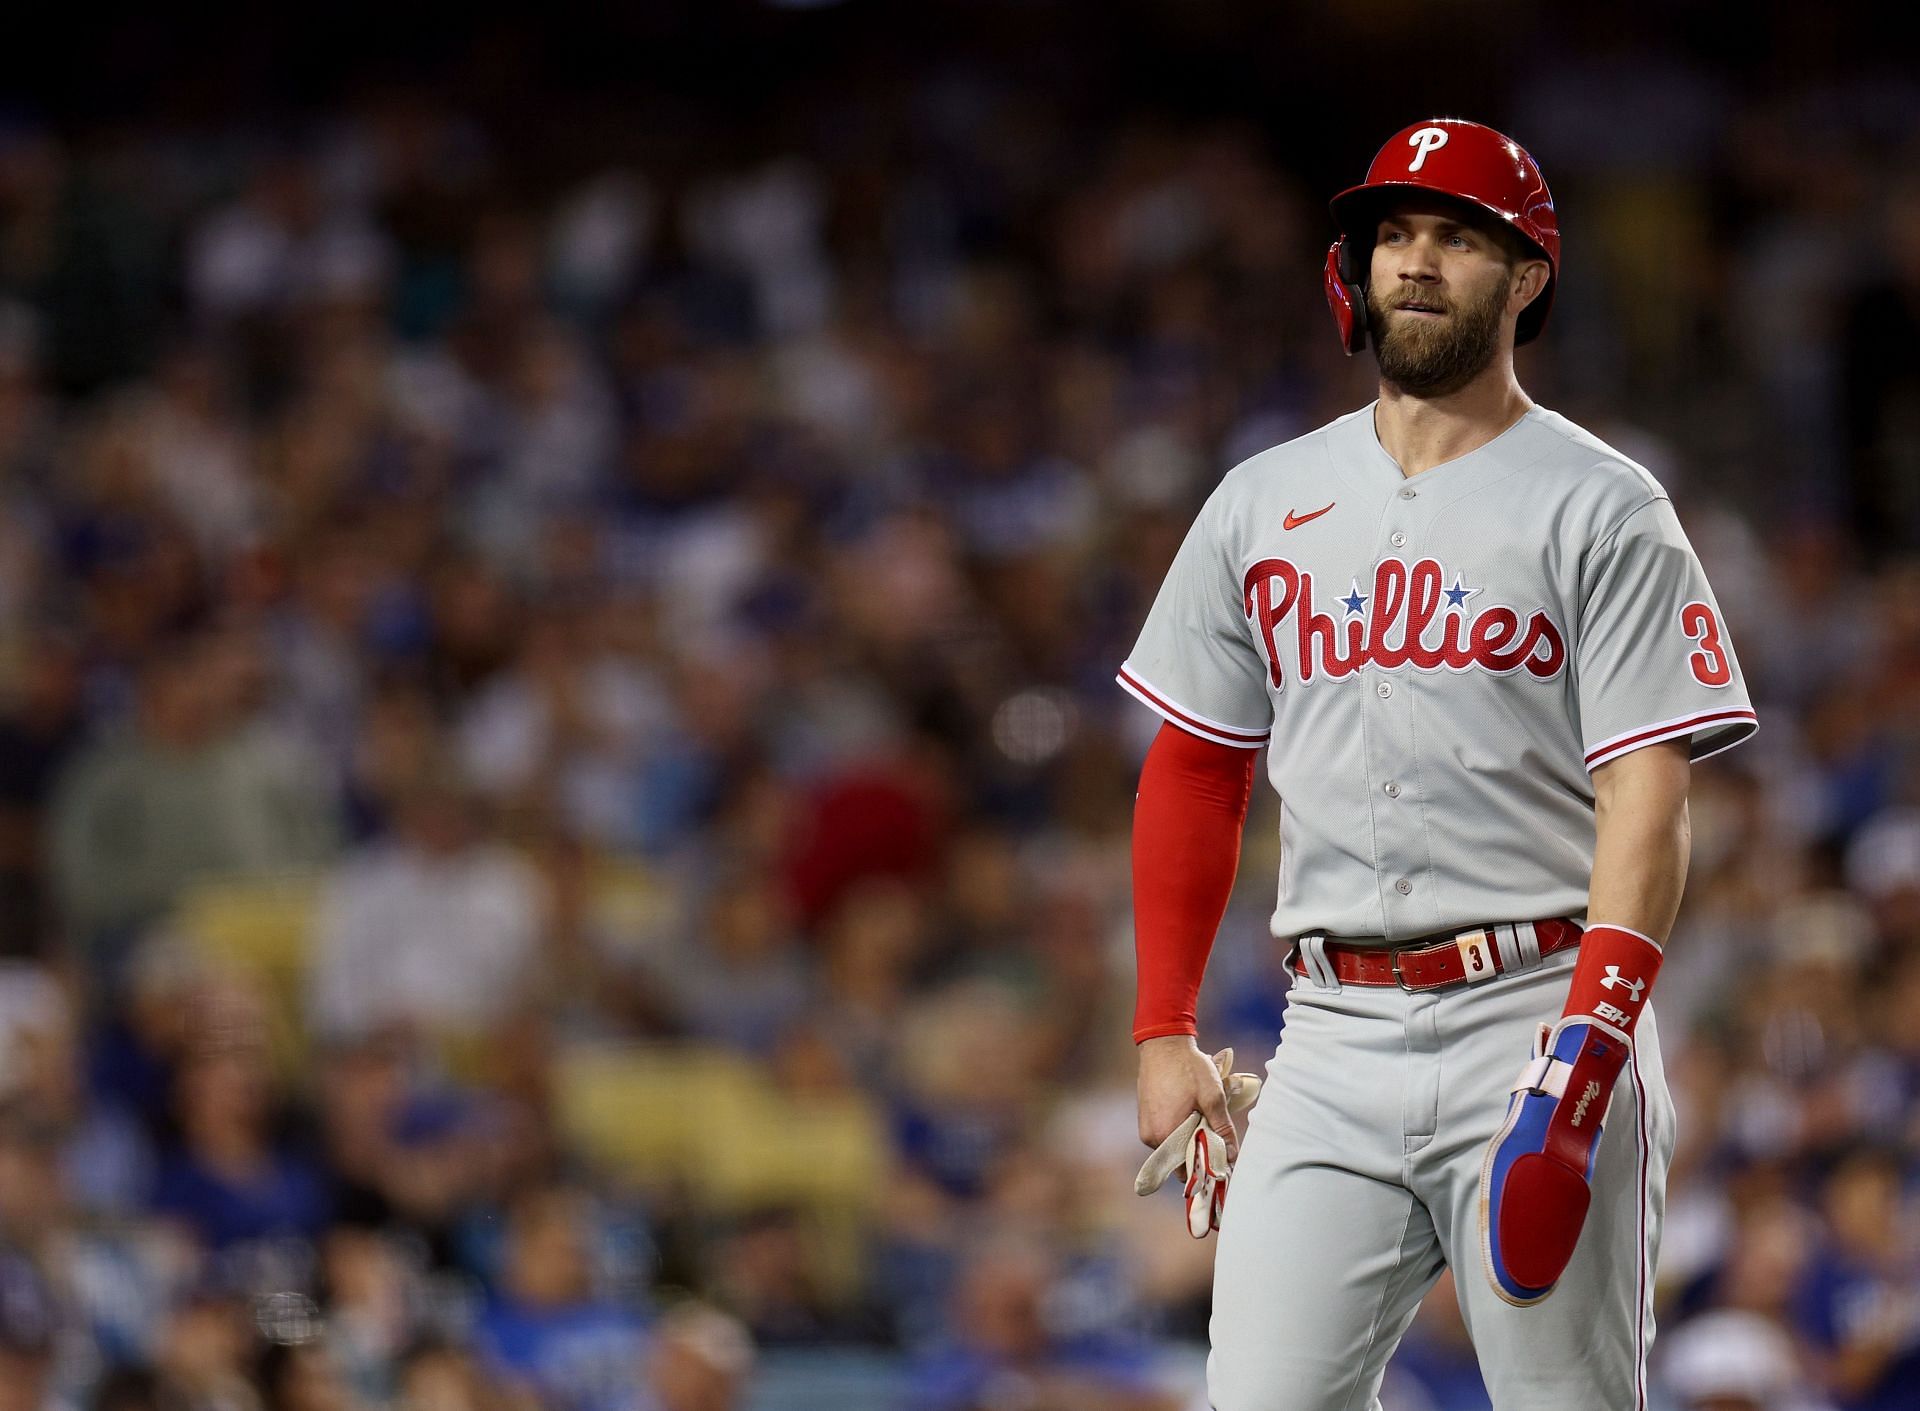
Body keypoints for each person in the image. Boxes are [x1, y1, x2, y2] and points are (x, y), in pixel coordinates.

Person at [1122, 119, 1757, 1409]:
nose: (1415, 262)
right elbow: (1198, 765)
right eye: (1394, 235)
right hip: (1326, 1036)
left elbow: (1650, 790)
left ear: (1526, 277)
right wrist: (1162, 1027)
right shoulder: (1262, 497)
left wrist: (1587, 1052)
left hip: (1530, 1012)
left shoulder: (1604, 503)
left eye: (1457, 237)